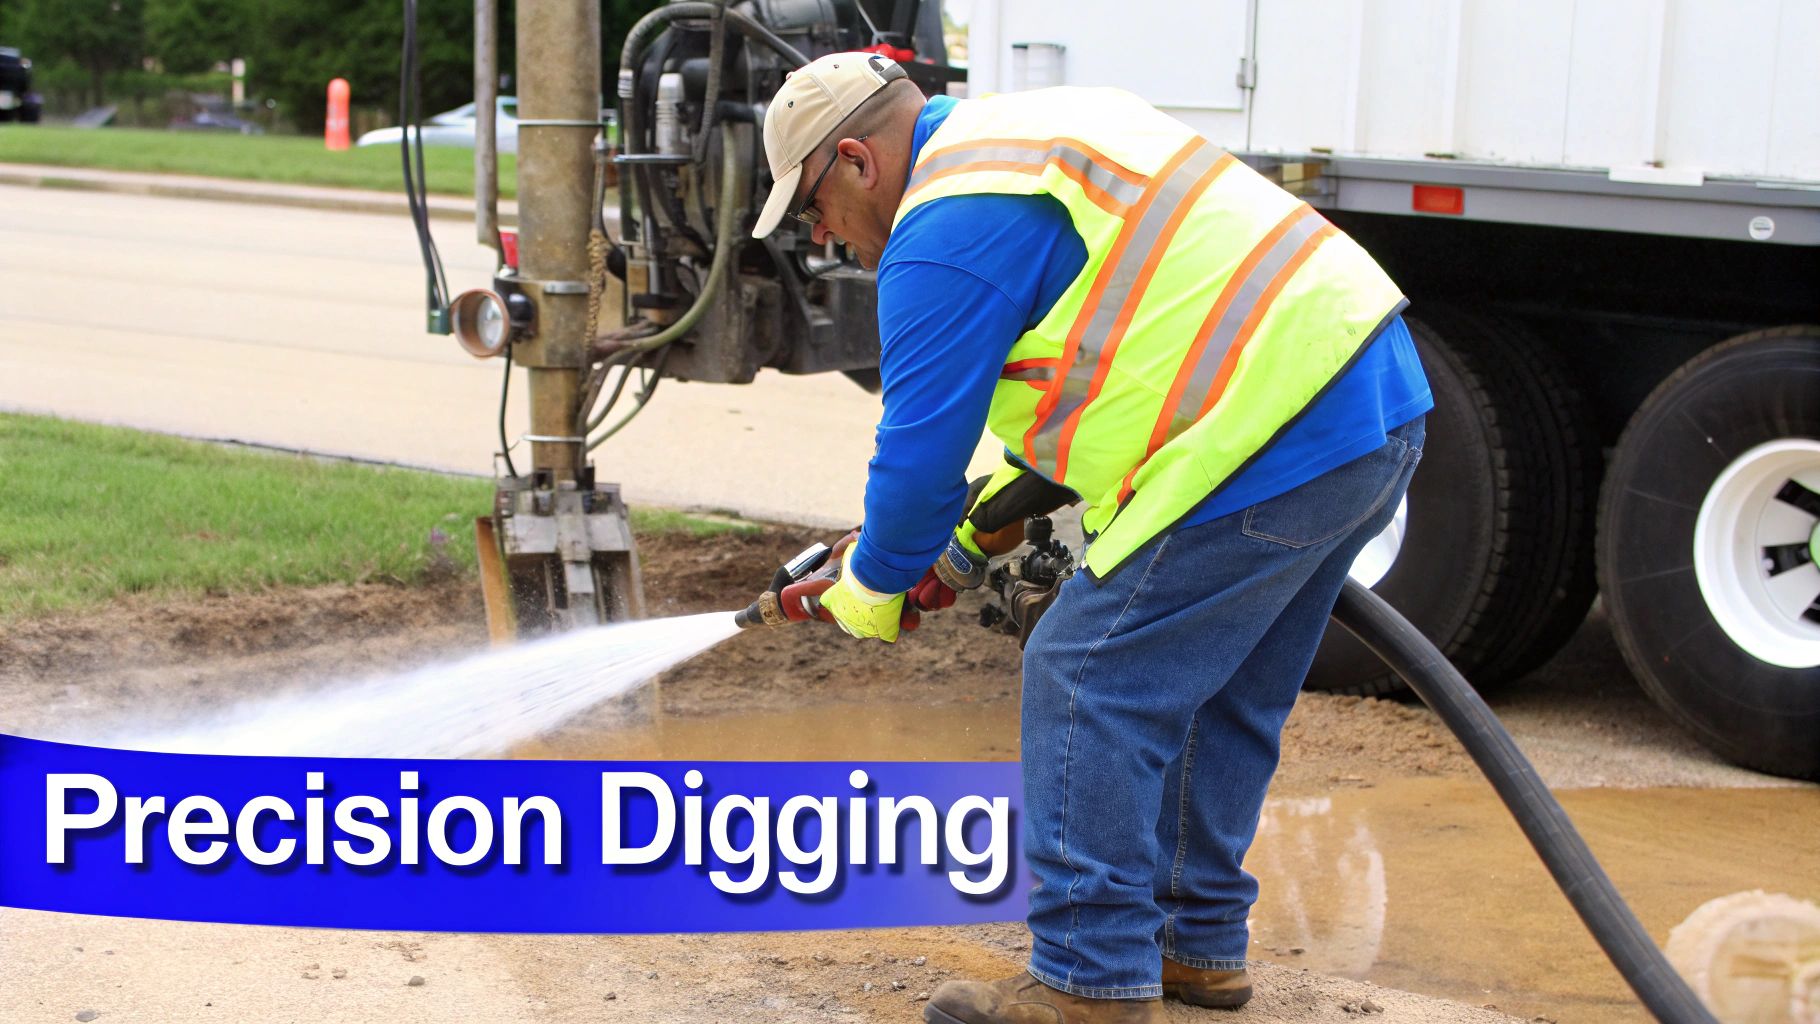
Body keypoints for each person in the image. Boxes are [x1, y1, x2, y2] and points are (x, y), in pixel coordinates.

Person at [751, 53, 1431, 1024]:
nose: (822, 237)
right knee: (1218, 686)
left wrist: (872, 584)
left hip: (1265, 429)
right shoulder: (1032, 138)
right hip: (1368, 398)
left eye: (812, 209)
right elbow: (1133, 350)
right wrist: (958, 546)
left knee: (1085, 675)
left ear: (855, 158)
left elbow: (915, 465)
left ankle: (1088, 981)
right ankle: (1190, 945)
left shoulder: (938, 232)